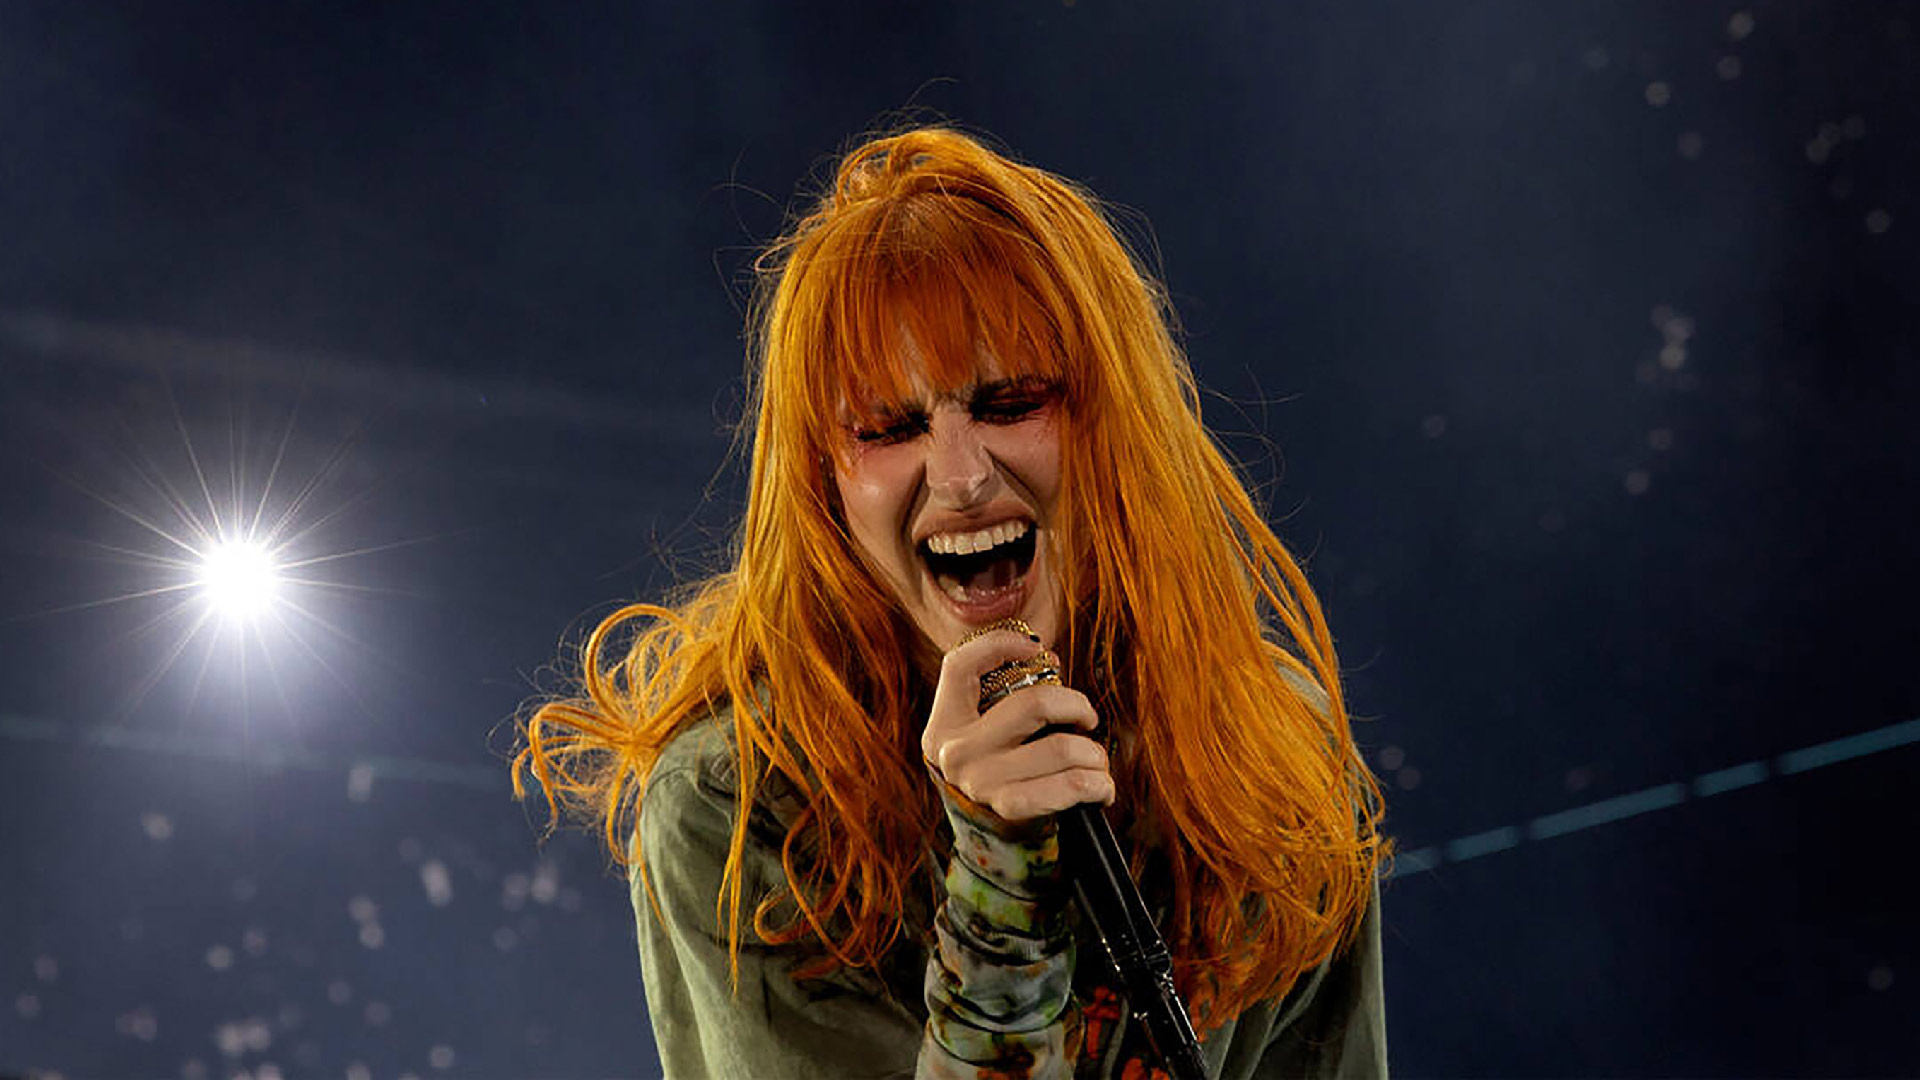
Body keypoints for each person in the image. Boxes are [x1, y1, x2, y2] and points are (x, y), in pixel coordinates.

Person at [514, 125, 1389, 1079]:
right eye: (889, 427)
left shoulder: (1272, 768)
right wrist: (1000, 897)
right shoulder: (740, 805)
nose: (962, 476)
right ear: (825, 485)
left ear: (1115, 423)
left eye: (1012, 403)